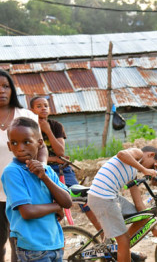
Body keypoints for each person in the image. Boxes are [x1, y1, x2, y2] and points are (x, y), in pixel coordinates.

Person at [0, 68, 47, 262]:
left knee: (22, 242)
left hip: (23, 189)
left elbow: (41, 148)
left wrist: (42, 167)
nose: (1, 91)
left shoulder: (27, 116)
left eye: (6, 86)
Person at [1, 117, 73, 262]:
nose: (20, 148)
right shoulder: (12, 172)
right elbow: (27, 212)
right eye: (14, 143)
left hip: (55, 243)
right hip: (32, 248)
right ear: (9, 146)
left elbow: (67, 202)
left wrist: (44, 177)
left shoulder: (46, 170)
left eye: (26, 142)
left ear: (39, 143)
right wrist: (56, 206)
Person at [29, 96, 103, 232]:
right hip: (40, 171)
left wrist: (47, 131)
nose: (43, 108)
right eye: (39, 106)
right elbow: (30, 156)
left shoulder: (56, 126)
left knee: (81, 196)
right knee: (46, 203)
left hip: (62, 169)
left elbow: (60, 152)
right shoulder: (29, 128)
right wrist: (53, 159)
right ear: (31, 110)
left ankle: (103, 232)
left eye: (45, 105)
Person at [86, 146, 157, 262]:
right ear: (150, 154)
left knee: (142, 217)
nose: (151, 169)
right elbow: (121, 154)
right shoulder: (138, 153)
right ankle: (122, 244)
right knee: (123, 240)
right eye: (152, 165)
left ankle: (119, 246)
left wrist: (153, 228)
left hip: (111, 197)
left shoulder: (133, 173)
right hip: (102, 197)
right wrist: (145, 170)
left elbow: (139, 205)